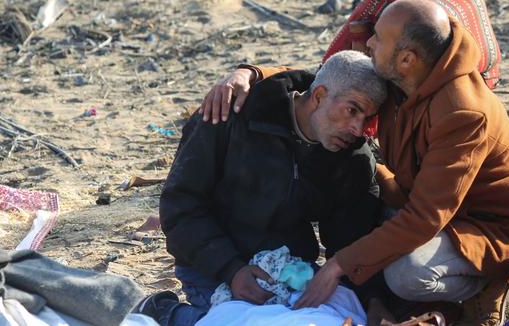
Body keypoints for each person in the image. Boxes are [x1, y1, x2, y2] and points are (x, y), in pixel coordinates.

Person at [201, 0, 509, 326]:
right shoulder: (405, 73)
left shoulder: (462, 113)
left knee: (404, 274)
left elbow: (425, 218)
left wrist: (337, 265)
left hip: (491, 230)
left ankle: (485, 286)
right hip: (430, 206)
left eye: (378, 39)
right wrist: (251, 73)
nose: (368, 44)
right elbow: (328, 80)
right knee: (365, 215)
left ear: (407, 59)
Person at [138, 51, 387, 326]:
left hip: (290, 269)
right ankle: (167, 312)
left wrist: (372, 300)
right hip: (212, 265)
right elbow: (180, 206)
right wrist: (231, 270)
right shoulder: (231, 113)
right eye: (352, 110)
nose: (357, 128)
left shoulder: (351, 155)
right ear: (318, 97)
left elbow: (353, 237)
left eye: (366, 118)